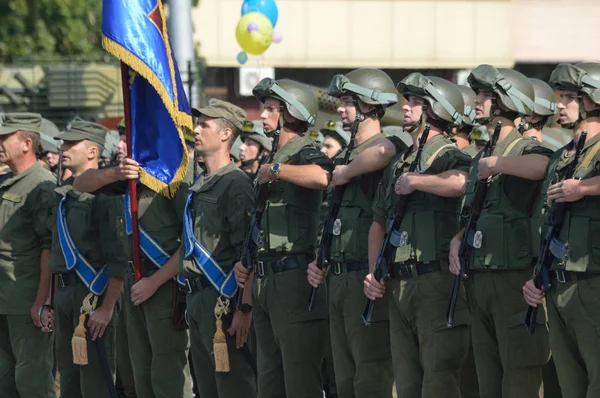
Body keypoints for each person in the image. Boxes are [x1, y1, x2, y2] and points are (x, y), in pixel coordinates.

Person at [364, 73, 471, 398]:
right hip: (398, 283)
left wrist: (420, 182)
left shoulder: (450, 154)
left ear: (434, 109)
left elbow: (463, 182)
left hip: (435, 282)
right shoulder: (401, 163)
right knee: (407, 384)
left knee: (438, 381)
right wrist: (373, 273)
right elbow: (378, 223)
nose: (406, 108)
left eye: (415, 102)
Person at [448, 65, 552, 398]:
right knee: (487, 379)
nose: (477, 101)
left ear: (507, 102)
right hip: (479, 279)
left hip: (514, 279)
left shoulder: (523, 149)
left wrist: (497, 164)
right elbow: (476, 213)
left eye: (485, 96)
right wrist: (457, 239)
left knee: (519, 377)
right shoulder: (483, 153)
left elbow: (543, 166)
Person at [234, 78, 334, 398]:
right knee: (270, 383)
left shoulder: (303, 153)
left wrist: (277, 169)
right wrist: (246, 266)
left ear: (291, 114)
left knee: (300, 383)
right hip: (264, 280)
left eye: (271, 109)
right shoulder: (274, 157)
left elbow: (323, 176)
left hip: (293, 280)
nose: (263, 115)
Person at [73, 132, 193, 397]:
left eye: (128, 139)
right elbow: (80, 183)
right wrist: (115, 173)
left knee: (167, 375)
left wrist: (154, 282)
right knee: (139, 376)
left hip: (163, 286)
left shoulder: (174, 173)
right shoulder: (129, 176)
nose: (120, 145)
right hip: (134, 284)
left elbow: (192, 242)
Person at [306, 68, 399, 398]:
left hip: (366, 275)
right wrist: (320, 258)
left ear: (371, 107)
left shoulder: (385, 146)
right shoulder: (345, 153)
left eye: (348, 103)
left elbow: (386, 150)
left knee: (370, 377)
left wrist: (348, 170)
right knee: (343, 379)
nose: (341, 109)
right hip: (338, 277)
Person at [522, 62, 600, 397]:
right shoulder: (562, 156)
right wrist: (537, 275)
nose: (559, 104)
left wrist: (583, 188)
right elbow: (546, 220)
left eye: (569, 97)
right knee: (570, 385)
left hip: (593, 283)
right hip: (557, 286)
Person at [180, 99, 257, 397]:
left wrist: (244, 308)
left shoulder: (235, 183)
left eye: (204, 125)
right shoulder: (202, 182)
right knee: (208, 390)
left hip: (223, 300)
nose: (196, 130)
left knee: (233, 387)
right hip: (197, 299)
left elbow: (247, 252)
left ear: (226, 134)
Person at [46, 120, 128, 397]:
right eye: (63, 142)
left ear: (93, 151)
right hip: (66, 294)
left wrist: (106, 308)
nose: (63, 148)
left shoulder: (106, 193)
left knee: (95, 383)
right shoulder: (65, 191)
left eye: (72, 143)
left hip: (92, 296)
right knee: (68, 383)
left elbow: (118, 256)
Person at [0, 113, 57, 398]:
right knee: (6, 382)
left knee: (32, 381)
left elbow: (49, 248)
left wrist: (42, 303)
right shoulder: (9, 181)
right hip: (5, 299)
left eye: (4, 137)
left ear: (26, 143)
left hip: (26, 302)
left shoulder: (41, 185)